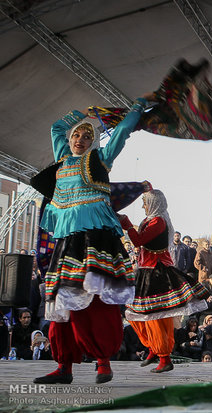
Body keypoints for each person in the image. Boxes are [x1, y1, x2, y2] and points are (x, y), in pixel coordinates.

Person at [32, 96, 150, 384]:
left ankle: (103, 362)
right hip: (66, 241)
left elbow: (121, 133)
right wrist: (81, 113)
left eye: (87, 136)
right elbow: (55, 128)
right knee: (62, 301)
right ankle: (64, 367)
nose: (80, 139)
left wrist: (136, 110)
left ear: (94, 142)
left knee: (95, 300)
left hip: (95, 239)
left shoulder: (99, 159)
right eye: (77, 135)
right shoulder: (63, 158)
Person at [119, 189, 211, 372]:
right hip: (146, 273)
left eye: (145, 202)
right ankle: (154, 348)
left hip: (158, 274)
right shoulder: (150, 220)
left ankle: (163, 356)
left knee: (157, 317)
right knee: (138, 315)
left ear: (154, 204)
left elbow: (138, 241)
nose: (143, 205)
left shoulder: (159, 221)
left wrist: (127, 223)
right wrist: (144, 187)